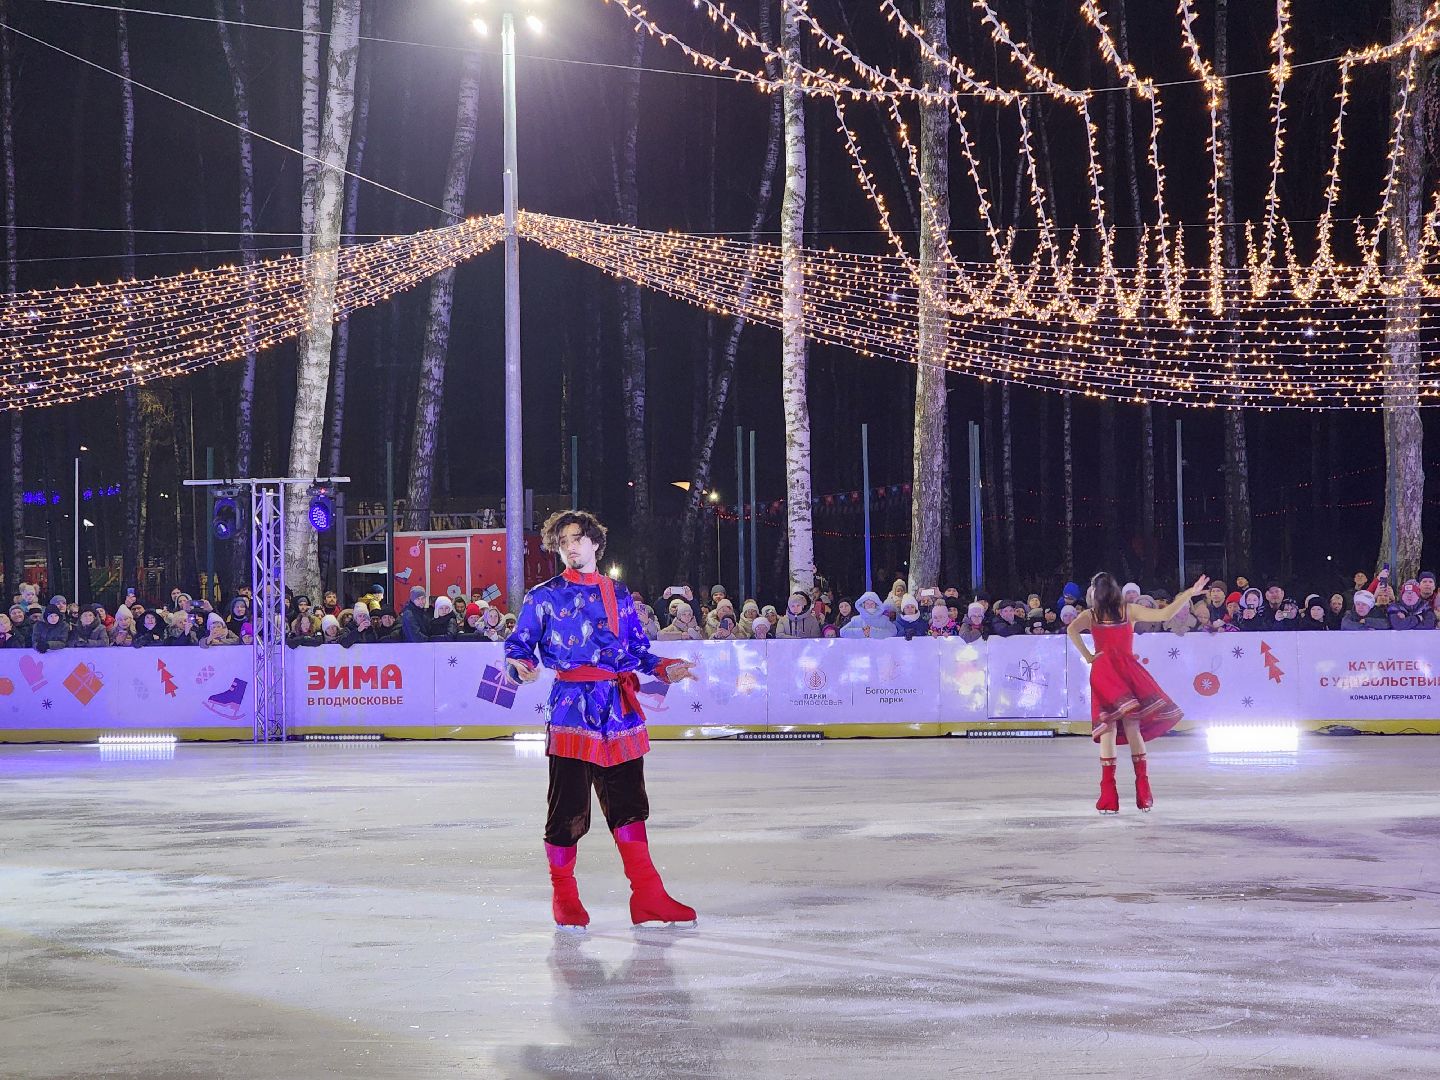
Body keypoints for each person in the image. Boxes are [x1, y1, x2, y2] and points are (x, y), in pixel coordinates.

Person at [503, 510, 698, 932]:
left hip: (618, 710)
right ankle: (564, 895)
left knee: (629, 804)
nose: (570, 546)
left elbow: (637, 650)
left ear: (594, 544)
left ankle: (648, 895)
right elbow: (518, 646)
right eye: (563, 541)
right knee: (567, 807)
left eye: (577, 538)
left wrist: (666, 668)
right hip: (572, 709)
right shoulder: (542, 596)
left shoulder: (618, 593)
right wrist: (520, 666)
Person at [1067, 572, 1208, 814]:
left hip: (1103, 672)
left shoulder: (1090, 615)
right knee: (1132, 727)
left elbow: (1071, 630)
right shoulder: (1129, 610)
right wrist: (1188, 594)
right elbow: (1165, 614)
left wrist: (1089, 656)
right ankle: (1143, 792)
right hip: (1126, 670)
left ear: (1095, 592)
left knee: (1108, 730)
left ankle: (1108, 796)